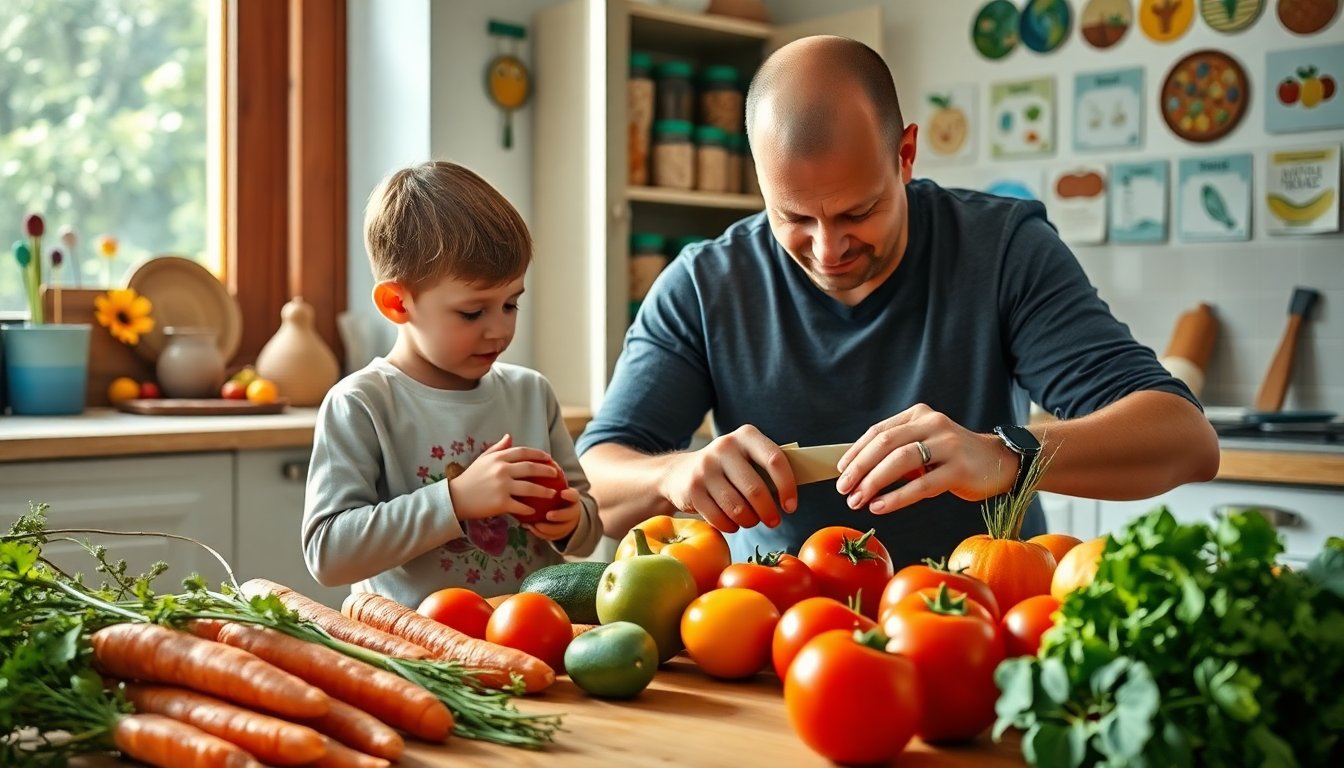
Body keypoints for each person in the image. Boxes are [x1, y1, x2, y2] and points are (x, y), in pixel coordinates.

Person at [576, 36, 1220, 567]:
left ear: (905, 155)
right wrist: (673, 476)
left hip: (985, 623)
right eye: (794, 216)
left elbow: (1184, 438)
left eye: (860, 211)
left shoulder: (1001, 251)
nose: (827, 251)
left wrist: (1005, 456)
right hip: (775, 635)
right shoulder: (703, 284)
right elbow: (595, 480)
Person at [303, 161, 601, 608]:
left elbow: (588, 531)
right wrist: (455, 500)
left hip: (529, 644)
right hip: (414, 654)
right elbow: (328, 553)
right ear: (397, 302)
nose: (499, 330)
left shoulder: (531, 394)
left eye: (511, 304)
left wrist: (571, 520)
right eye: (472, 312)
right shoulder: (363, 402)